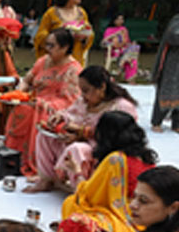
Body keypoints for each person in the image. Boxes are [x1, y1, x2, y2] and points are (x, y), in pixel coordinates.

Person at [54, 111, 157, 232]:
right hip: (147, 219)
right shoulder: (146, 157)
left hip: (123, 218)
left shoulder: (115, 159)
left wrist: (77, 172)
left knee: (71, 204)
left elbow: (89, 194)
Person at [24, 65, 138, 193]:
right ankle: (47, 179)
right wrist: (59, 117)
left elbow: (120, 138)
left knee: (77, 149)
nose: (82, 96)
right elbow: (70, 113)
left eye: (86, 91)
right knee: (44, 136)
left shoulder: (121, 106)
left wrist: (83, 133)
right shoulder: (84, 101)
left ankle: (80, 190)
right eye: (81, 91)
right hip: (80, 142)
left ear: (102, 87)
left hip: (101, 151)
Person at [5, 28, 81, 175]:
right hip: (35, 100)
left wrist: (44, 104)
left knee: (36, 112)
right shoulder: (43, 61)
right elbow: (27, 80)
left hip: (55, 109)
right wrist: (20, 93)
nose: (47, 49)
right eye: (47, 44)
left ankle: (33, 162)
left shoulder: (73, 70)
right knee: (22, 108)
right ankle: (13, 157)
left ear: (65, 48)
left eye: (52, 46)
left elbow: (71, 101)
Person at [34, 0, 93, 67]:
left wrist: (84, 37)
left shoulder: (82, 13)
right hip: (54, 61)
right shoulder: (51, 13)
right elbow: (40, 36)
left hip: (75, 60)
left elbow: (88, 32)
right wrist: (59, 37)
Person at [151, 14, 179, 133]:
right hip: (173, 63)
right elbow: (172, 37)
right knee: (166, 91)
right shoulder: (177, 21)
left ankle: (176, 123)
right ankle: (157, 121)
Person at [101, 13, 140, 83]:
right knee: (131, 58)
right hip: (114, 50)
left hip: (124, 49)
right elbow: (104, 42)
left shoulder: (124, 29)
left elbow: (127, 41)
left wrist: (130, 44)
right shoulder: (109, 30)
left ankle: (128, 76)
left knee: (135, 47)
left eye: (122, 19)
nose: (121, 21)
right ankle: (124, 63)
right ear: (114, 20)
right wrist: (115, 34)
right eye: (118, 19)